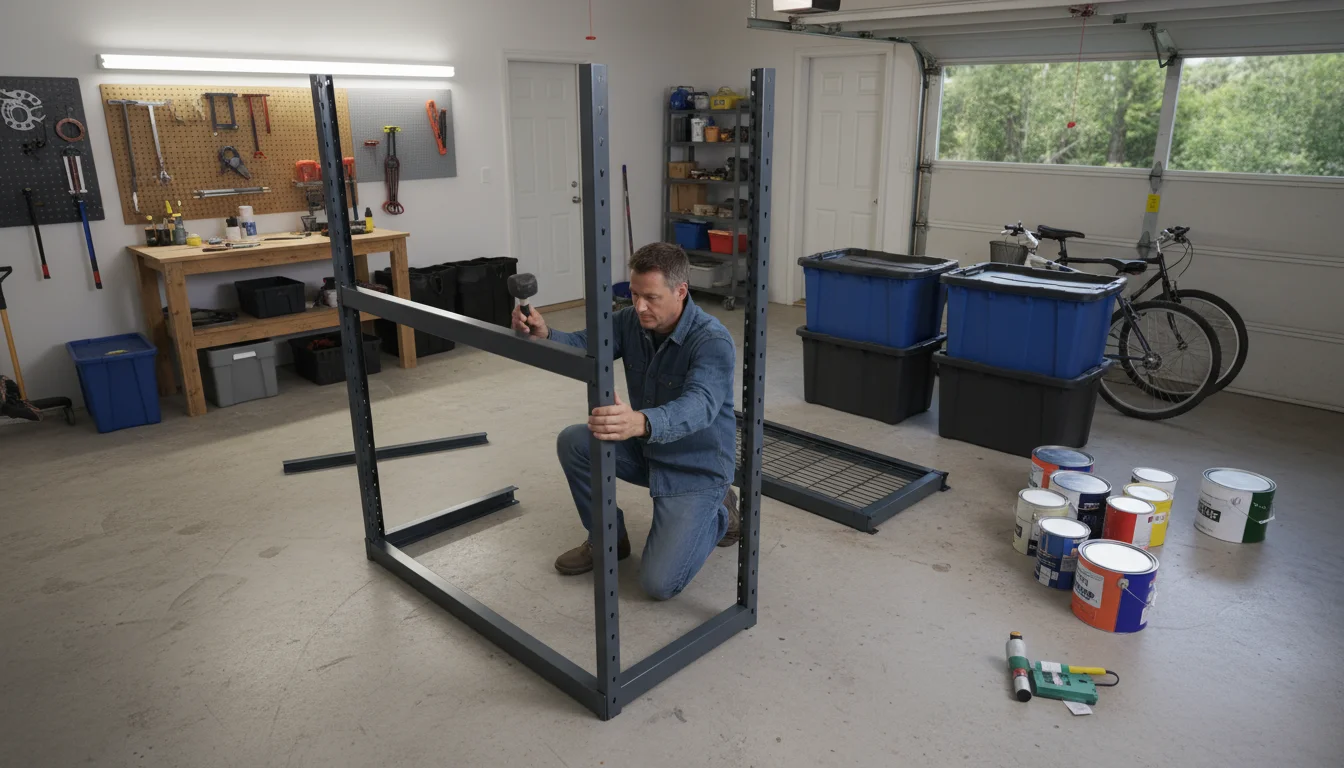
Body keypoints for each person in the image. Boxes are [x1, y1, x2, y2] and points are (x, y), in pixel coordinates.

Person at [511, 242, 739, 601]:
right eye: (634, 294)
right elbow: (585, 345)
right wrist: (545, 334)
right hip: (648, 450)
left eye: (651, 297)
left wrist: (641, 422)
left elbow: (701, 404)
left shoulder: (711, 340)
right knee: (575, 442)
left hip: (695, 468)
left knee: (658, 584)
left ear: (681, 291)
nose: (639, 306)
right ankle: (608, 538)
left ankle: (721, 510)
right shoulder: (631, 320)